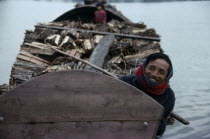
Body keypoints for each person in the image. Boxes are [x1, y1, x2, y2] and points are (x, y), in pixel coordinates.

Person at [119, 53, 175, 136]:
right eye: (151, 68)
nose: (154, 74)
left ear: (167, 76)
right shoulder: (125, 82)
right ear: (145, 67)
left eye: (161, 72)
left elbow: (160, 129)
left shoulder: (168, 95)